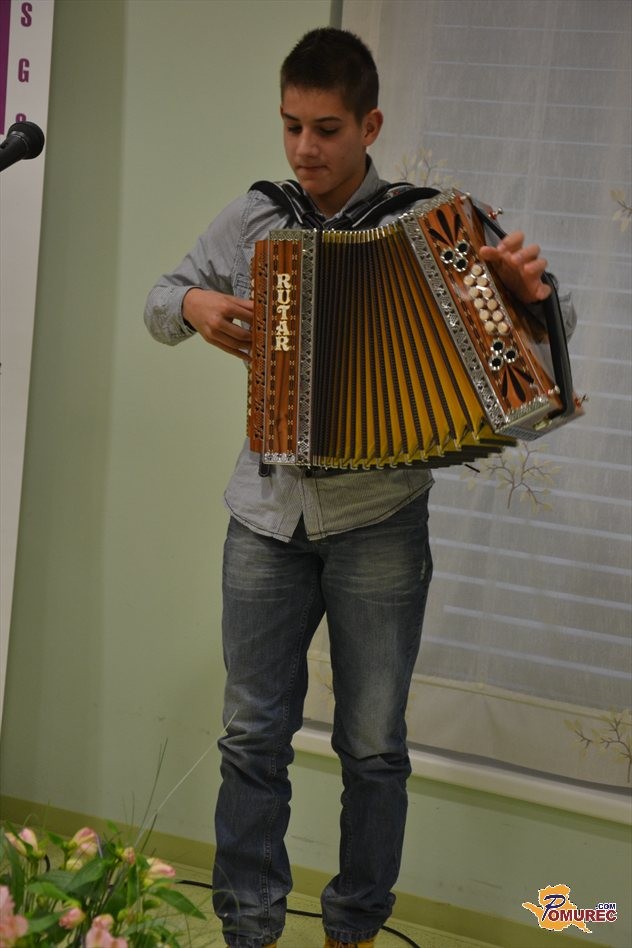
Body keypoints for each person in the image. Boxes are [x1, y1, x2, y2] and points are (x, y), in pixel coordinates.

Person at [144, 28, 576, 948]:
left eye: (327, 129)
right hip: (264, 517)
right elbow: (161, 299)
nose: (305, 149)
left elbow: (557, 316)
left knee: (373, 746)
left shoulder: (433, 222)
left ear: (370, 125)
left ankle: (355, 928)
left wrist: (523, 296)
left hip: (380, 520)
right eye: (291, 126)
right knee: (250, 737)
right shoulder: (258, 217)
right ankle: (250, 926)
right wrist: (192, 303)